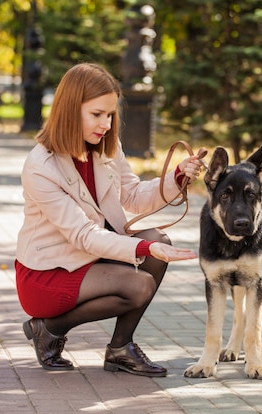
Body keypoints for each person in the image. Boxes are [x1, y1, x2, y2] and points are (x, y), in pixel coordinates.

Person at [15, 62, 204, 377]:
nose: (105, 123)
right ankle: (48, 328)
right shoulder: (41, 166)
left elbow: (132, 195)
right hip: (48, 273)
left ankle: (120, 349)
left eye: (110, 114)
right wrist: (142, 248)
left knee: (160, 241)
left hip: (90, 258)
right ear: (70, 110)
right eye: (96, 114)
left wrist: (177, 176)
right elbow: (83, 235)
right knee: (138, 284)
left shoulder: (105, 147)